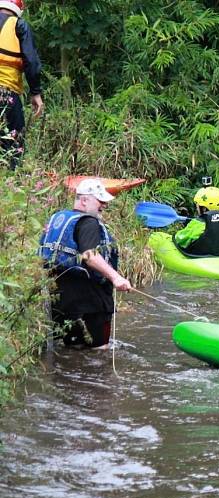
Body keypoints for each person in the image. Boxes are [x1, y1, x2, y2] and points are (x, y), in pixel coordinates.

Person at [39, 178, 132, 349]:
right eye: (100, 201)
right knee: (98, 353)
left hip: (60, 303)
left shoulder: (58, 218)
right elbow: (90, 255)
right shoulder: (89, 223)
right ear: (84, 200)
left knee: (69, 350)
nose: (103, 205)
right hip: (90, 305)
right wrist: (116, 278)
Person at [0, 0, 43, 169]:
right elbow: (31, 61)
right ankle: (12, 181)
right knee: (14, 144)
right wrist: (36, 92)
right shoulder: (19, 25)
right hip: (6, 92)